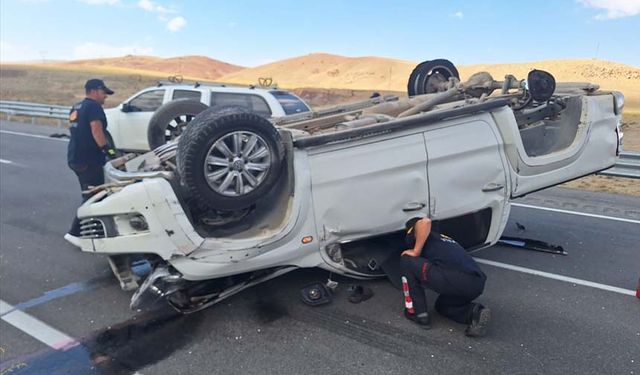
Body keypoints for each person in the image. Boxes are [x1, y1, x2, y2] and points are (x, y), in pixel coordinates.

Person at [400, 217, 491, 337]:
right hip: (476, 283)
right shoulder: (443, 240)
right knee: (443, 306)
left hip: (458, 278)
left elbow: (425, 222)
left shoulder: (421, 231)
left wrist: (415, 251)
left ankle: (418, 313)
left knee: (407, 259)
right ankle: (475, 313)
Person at [64, 79, 117, 247]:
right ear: (94, 91)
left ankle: (95, 230)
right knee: (93, 196)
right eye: (103, 93)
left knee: (93, 194)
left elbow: (75, 129)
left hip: (75, 157)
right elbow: (96, 129)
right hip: (88, 160)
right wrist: (107, 150)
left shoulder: (77, 106)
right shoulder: (94, 107)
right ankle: (75, 233)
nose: (105, 97)